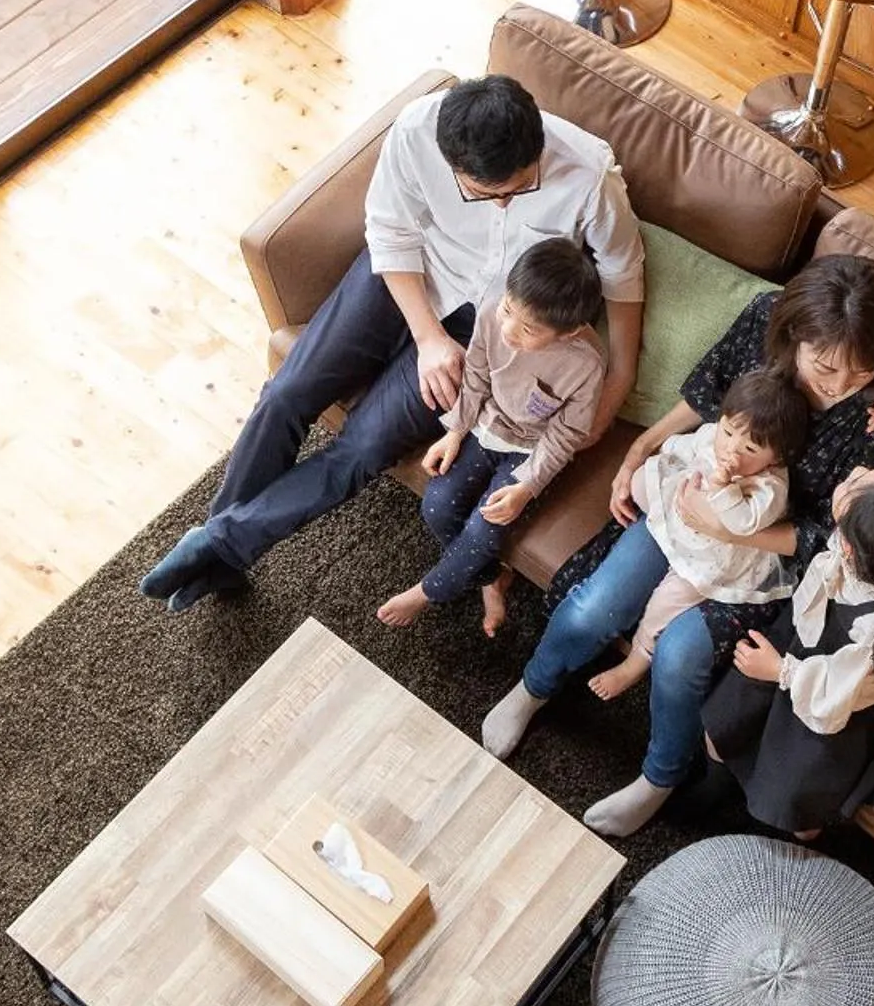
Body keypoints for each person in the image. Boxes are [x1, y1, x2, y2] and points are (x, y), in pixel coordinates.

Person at [481, 255, 874, 838]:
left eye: (859, 372)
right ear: (795, 333)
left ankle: (660, 776)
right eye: (825, 365)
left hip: (767, 562)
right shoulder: (762, 321)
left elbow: (831, 539)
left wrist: (733, 530)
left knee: (680, 656)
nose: (838, 385)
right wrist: (640, 451)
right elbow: (707, 397)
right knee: (594, 604)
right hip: (693, 503)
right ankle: (533, 687)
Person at [139, 75, 643, 611]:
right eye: (481, 193)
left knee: (362, 449)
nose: (500, 205)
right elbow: (389, 231)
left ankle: (216, 545)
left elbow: (623, 275)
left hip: (491, 326)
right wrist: (427, 338)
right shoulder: (417, 130)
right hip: (402, 276)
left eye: (517, 190)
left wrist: (618, 384)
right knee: (287, 394)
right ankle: (223, 551)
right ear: (452, 161)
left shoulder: (589, 177)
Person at [702, 467, 874, 838]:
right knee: (726, 720)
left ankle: (790, 844)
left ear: (850, 547)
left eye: (856, 482)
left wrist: (781, 672)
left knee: (795, 797)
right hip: (805, 642)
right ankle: (712, 788)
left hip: (837, 696)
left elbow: (838, 692)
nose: (855, 471)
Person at [377, 237, 606, 632]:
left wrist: (528, 486)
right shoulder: (490, 315)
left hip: (531, 452)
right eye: (508, 310)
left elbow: (565, 436)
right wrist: (455, 431)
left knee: (485, 525)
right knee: (438, 505)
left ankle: (428, 592)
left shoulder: (585, 365)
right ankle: (490, 579)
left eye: (529, 328)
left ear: (569, 333)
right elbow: (477, 376)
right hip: (485, 427)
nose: (510, 330)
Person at [587, 368, 809, 703]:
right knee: (641, 481)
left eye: (750, 448)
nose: (731, 450)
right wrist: (662, 455)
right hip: (685, 515)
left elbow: (743, 523)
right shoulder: (715, 436)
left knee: (666, 601)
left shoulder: (770, 487)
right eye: (729, 432)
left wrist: (722, 487)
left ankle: (637, 658)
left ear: (776, 457)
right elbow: (687, 445)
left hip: (716, 556)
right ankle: (663, 536)